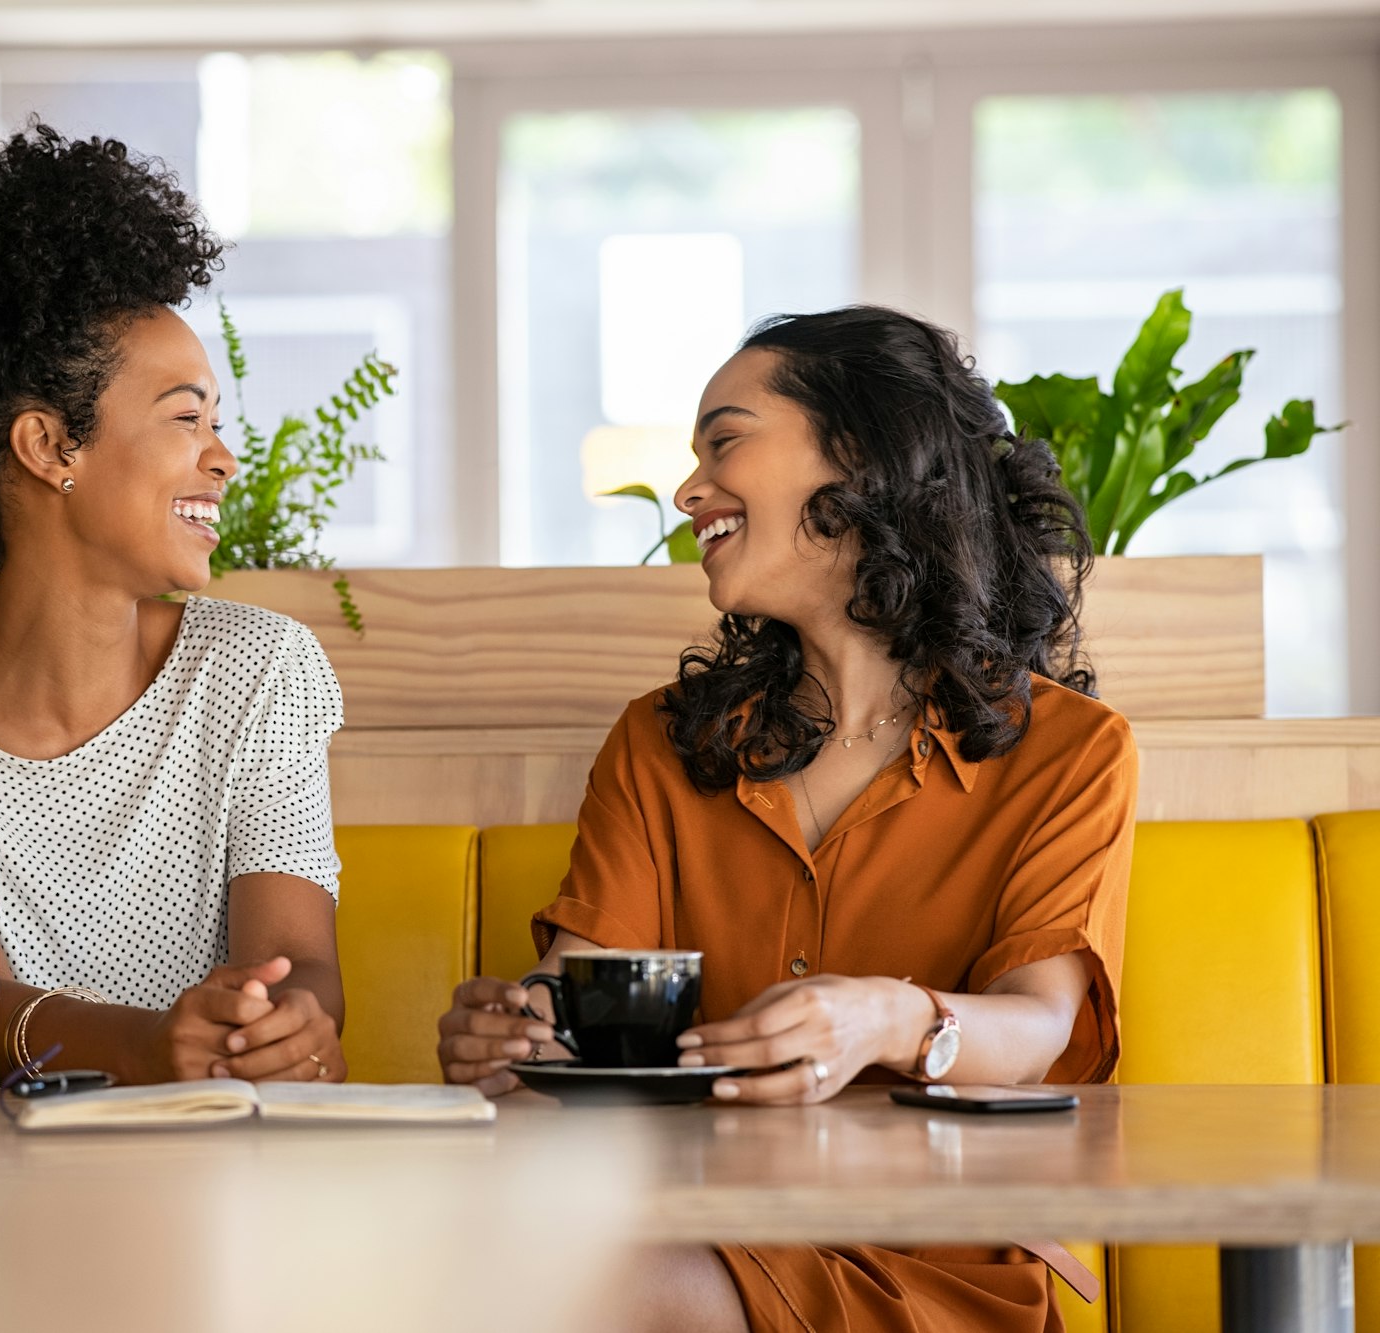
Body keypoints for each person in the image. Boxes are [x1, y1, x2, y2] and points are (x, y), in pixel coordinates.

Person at [436, 306, 1135, 1332]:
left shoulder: (1069, 750)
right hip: (688, 1223)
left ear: (860, 456)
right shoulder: (659, 743)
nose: (686, 491)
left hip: (932, 1258)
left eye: (724, 441)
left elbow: (1036, 1026)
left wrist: (887, 1018)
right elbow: (582, 985)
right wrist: (519, 1028)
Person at [0, 123, 347, 1088]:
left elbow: (302, 962)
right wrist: (148, 1047)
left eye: (219, 422)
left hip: (228, 1184)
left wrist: (283, 1022)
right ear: (50, 447)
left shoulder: (259, 668)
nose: (222, 458)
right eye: (186, 418)